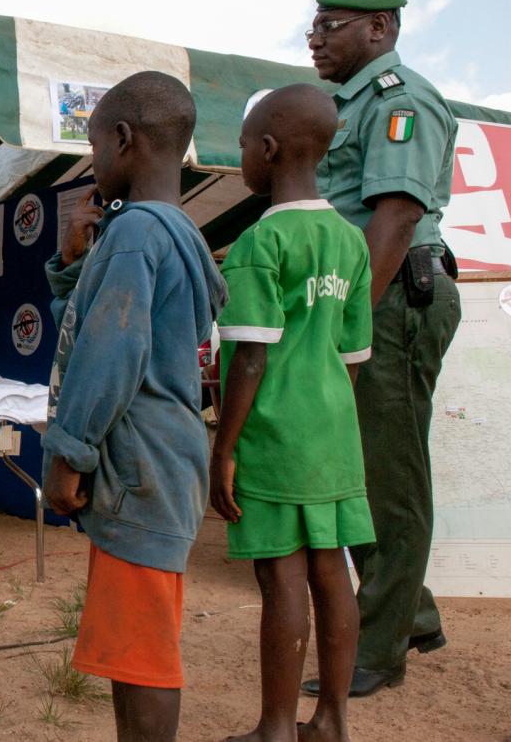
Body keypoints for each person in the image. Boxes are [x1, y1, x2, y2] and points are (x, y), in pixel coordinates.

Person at [40, 71, 226, 742]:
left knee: (144, 657)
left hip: (140, 469)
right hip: (157, 465)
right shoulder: (164, 232)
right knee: (131, 649)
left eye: (95, 146)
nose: (93, 164)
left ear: (123, 138)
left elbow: (108, 355)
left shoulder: (137, 234)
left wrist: (69, 451)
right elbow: (89, 327)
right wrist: (69, 266)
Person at [301, 0, 460, 699]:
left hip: (393, 297)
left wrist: (350, 327)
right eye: (313, 27)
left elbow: (392, 220)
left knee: (387, 479)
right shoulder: (347, 104)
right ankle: (411, 612)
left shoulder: (400, 99)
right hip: (374, 295)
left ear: (380, 28)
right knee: (357, 468)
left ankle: (378, 647)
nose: (314, 38)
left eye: (329, 26)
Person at [211, 85, 376, 742]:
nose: (242, 157)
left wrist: (224, 447)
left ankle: (276, 727)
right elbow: (352, 354)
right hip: (333, 429)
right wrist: (324, 405)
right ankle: (331, 718)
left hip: (274, 430)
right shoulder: (351, 242)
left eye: (246, 146)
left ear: (269, 150)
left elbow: (250, 357)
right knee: (331, 568)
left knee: (281, 574)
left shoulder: (260, 241)